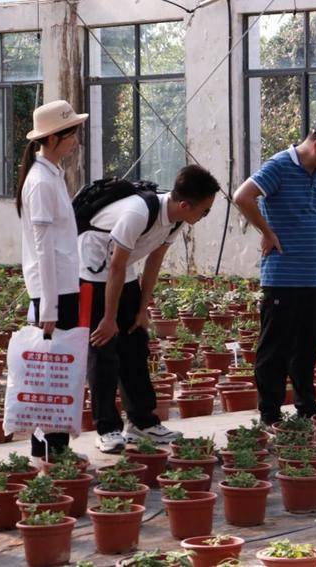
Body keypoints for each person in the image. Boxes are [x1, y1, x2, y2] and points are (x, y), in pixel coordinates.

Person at [79, 164, 221, 453]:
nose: (204, 216)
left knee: (135, 344)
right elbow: (115, 266)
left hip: (123, 272)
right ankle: (106, 428)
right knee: (103, 349)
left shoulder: (176, 220)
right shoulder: (138, 213)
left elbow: (154, 261)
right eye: (205, 211)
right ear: (186, 205)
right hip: (90, 274)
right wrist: (108, 318)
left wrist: (141, 309)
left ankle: (142, 422)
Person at [233, 115, 316, 427]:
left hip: (313, 276)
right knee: (276, 347)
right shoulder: (279, 166)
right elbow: (242, 196)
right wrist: (266, 232)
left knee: (308, 346)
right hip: (283, 275)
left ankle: (307, 406)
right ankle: (270, 413)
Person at [15, 99, 88, 462]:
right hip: (53, 292)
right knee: (50, 373)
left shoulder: (52, 175)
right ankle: (47, 452)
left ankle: (55, 450)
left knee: (58, 370)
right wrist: (48, 307)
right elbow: (43, 248)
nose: (75, 141)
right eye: (71, 134)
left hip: (62, 287)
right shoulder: (41, 181)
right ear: (55, 138)